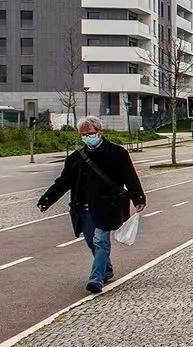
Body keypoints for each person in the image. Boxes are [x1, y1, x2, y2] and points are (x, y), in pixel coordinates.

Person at [38, 117, 146, 294]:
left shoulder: (117, 153)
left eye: (91, 133)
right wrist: (46, 200)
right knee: (91, 242)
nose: (88, 137)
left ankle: (96, 279)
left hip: (107, 206)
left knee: (101, 241)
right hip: (84, 209)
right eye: (84, 135)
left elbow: (130, 177)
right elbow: (63, 182)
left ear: (100, 132)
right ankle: (107, 269)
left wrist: (138, 198)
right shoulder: (75, 158)